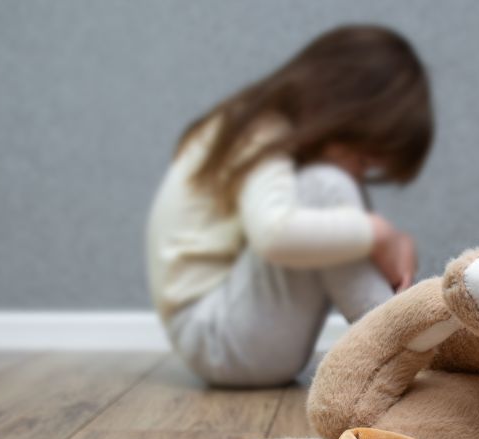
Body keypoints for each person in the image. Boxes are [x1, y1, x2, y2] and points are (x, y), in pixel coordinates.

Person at [145, 25, 433, 387]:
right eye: (363, 160)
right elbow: (274, 235)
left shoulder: (255, 125)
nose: (360, 175)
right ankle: (399, 346)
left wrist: (378, 240)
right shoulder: (260, 130)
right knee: (327, 185)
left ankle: (398, 333)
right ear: (343, 113)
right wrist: (378, 232)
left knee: (327, 203)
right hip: (218, 338)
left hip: (227, 337)